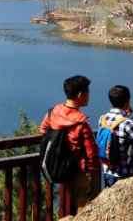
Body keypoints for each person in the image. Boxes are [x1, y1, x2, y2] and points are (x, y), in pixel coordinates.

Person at [40, 75, 101, 213]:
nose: (89, 96)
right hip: (85, 173)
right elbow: (91, 151)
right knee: (87, 214)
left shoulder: (53, 112)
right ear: (80, 95)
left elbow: (43, 131)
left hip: (67, 171)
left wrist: (62, 151)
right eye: (88, 93)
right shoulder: (81, 122)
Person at [100, 84, 133, 187]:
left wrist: (126, 115)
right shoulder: (128, 124)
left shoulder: (103, 119)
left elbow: (117, 128)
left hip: (107, 172)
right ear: (128, 101)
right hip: (124, 174)